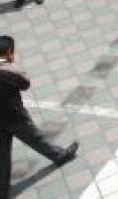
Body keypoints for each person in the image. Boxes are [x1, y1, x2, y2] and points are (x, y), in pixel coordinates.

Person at [0, 36, 78, 198]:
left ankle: (2, 190)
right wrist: (10, 64)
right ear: (9, 52)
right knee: (36, 139)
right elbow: (25, 84)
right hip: (15, 118)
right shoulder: (8, 72)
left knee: (2, 154)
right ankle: (60, 156)